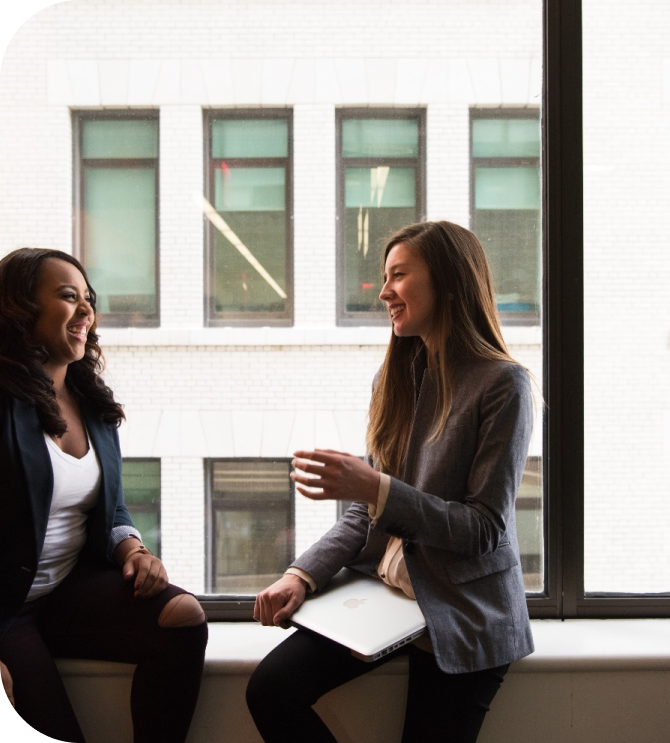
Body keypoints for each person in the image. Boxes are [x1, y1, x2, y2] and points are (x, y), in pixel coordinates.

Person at [246, 220, 535, 743]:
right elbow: (366, 512)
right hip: (389, 597)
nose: (383, 292)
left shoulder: (503, 384)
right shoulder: (396, 377)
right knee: (270, 689)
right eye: (385, 277)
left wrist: (374, 488)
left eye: (398, 275)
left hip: (463, 610)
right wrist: (301, 576)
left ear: (448, 282)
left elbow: (484, 529)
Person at [0, 248, 208, 743]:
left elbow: (108, 505)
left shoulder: (89, 400)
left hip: (67, 589)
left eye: (89, 300)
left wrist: (133, 549)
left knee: (183, 618)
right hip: (6, 610)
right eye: (68, 297)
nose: (86, 311)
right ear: (19, 309)